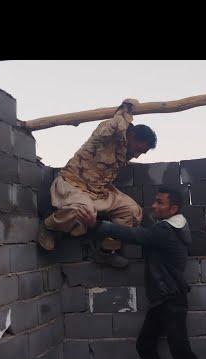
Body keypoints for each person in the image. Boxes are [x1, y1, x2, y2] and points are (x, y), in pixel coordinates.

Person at [77, 185, 206, 359]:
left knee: (182, 354)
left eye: (159, 202)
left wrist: (97, 225)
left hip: (171, 301)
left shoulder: (165, 231)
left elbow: (134, 236)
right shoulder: (171, 226)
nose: (153, 206)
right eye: (155, 201)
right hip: (162, 300)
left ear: (173, 208)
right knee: (145, 345)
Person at [38, 98, 157, 269]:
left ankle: (105, 252)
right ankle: (49, 226)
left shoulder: (126, 150)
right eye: (138, 149)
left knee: (132, 212)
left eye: (141, 153)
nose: (137, 155)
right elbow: (113, 126)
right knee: (83, 211)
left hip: (99, 191)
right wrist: (125, 111)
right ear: (130, 135)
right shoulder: (107, 133)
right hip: (73, 183)